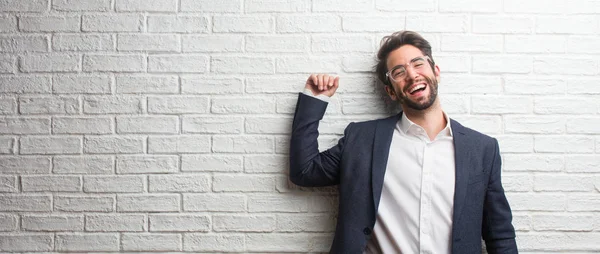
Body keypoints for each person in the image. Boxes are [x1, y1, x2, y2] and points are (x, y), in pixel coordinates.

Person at [289, 30, 518, 254]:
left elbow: (499, 234)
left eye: (418, 63)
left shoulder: (482, 149)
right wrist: (314, 99)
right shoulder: (362, 139)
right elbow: (304, 171)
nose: (412, 75)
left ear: (435, 71)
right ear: (390, 91)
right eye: (398, 71)